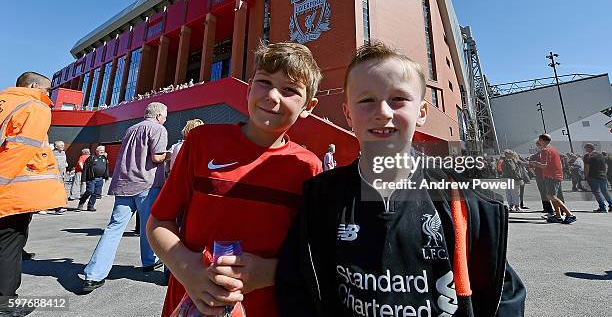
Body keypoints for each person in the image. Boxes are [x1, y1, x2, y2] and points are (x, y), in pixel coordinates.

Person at [276, 42, 525, 316]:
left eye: (398, 99)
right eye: (366, 100)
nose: (383, 112)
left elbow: (504, 293)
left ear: (421, 112)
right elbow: (298, 288)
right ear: (348, 114)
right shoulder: (321, 197)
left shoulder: (463, 198)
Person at [146, 42, 323, 316]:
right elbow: (159, 221)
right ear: (250, 87)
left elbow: (311, 254)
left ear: (308, 106)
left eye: (290, 90)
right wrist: (188, 269)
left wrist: (268, 273)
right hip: (192, 302)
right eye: (264, 83)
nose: (273, 96)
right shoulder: (202, 142)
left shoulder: (307, 167)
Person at [81, 102, 169, 292]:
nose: (165, 119)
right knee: (150, 227)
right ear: (159, 116)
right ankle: (149, 261)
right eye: (165, 117)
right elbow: (156, 157)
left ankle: (94, 274)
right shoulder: (158, 129)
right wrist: (169, 155)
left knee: (113, 229)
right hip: (147, 183)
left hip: (124, 184)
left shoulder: (131, 129)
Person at [0, 72, 66, 309]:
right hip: (11, 193)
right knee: (9, 246)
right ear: (34, 86)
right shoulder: (35, 107)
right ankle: (5, 303)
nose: (48, 96)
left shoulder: (5, 101)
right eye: (48, 91)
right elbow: (18, 152)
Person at [529, 134, 576, 224]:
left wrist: (534, 163)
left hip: (551, 176)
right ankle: (558, 216)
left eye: (539, 140)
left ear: (541, 140)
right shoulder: (553, 149)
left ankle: (570, 214)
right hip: (555, 175)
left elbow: (544, 165)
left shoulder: (545, 150)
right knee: (552, 195)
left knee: (551, 196)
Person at [77, 145, 109, 212]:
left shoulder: (104, 158)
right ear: (96, 151)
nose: (102, 152)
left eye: (103, 151)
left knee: (95, 193)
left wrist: (106, 177)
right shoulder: (91, 158)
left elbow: (106, 168)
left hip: (100, 179)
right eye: (100, 150)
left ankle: (90, 206)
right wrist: (83, 179)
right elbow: (85, 169)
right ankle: (81, 203)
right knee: (90, 191)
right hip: (91, 178)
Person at [583, 143, 612, 213]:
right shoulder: (601, 155)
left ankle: (602, 207)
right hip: (603, 175)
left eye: (586, 148)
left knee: (596, 191)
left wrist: (586, 176)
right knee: (605, 191)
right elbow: (605, 165)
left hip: (593, 176)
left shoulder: (588, 156)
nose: (585, 149)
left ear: (589, 148)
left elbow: (586, 167)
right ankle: (611, 205)